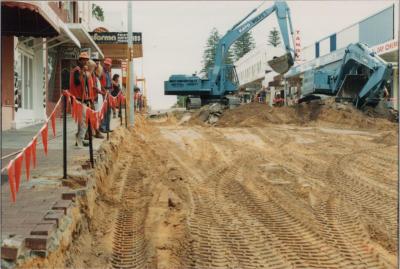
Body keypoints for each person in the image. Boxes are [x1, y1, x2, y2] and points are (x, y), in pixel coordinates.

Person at [69, 52, 90, 147]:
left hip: (82, 99)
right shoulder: (77, 70)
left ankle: (79, 139)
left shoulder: (82, 71)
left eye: (86, 60)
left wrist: (87, 99)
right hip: (77, 99)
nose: (85, 62)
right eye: (83, 60)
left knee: (81, 121)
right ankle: (80, 140)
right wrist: (82, 72)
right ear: (80, 60)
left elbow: (84, 87)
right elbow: (77, 82)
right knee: (84, 121)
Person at [87, 59, 104, 139]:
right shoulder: (89, 74)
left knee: (94, 116)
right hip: (90, 98)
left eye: (98, 64)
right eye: (95, 64)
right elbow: (92, 87)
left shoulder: (94, 74)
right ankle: (92, 132)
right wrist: (99, 91)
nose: (97, 66)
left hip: (94, 98)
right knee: (91, 116)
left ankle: (93, 132)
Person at [99, 58, 113, 133]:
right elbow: (99, 82)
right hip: (103, 93)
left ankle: (107, 127)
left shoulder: (109, 73)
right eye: (106, 64)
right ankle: (103, 127)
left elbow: (110, 84)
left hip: (109, 93)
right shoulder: (101, 72)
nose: (107, 66)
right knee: (104, 110)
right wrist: (103, 90)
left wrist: (110, 90)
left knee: (108, 111)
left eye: (108, 65)